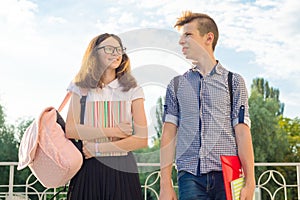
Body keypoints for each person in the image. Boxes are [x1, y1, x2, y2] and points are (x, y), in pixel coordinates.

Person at [159, 11, 255, 200]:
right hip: (189, 178)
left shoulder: (234, 82)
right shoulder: (176, 85)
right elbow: (168, 134)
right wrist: (165, 184)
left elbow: (243, 133)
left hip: (227, 176)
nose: (181, 41)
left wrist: (250, 182)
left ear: (208, 38)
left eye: (188, 35)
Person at [65, 33, 148, 200]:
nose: (116, 53)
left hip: (122, 169)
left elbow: (142, 139)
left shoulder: (133, 89)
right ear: (95, 53)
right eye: (109, 49)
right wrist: (115, 131)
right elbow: (71, 130)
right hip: (88, 168)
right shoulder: (80, 86)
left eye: (119, 49)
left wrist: (97, 149)